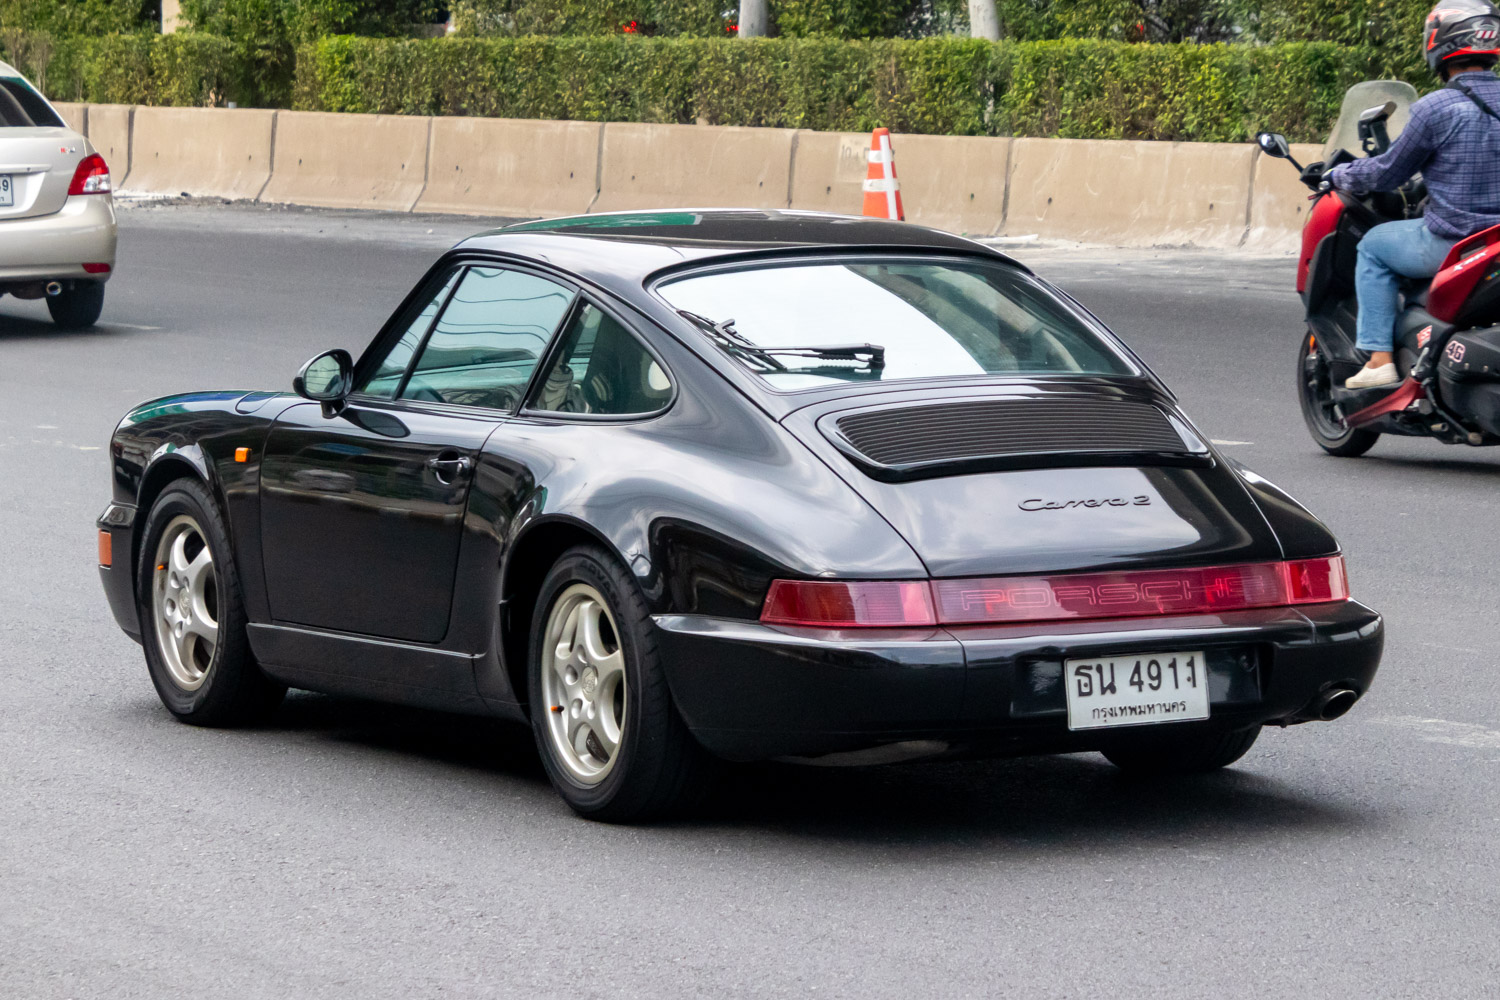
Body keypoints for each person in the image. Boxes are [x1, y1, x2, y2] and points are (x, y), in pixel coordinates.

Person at [1327, 0, 1500, 389]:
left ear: (1440, 43)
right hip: (1496, 244)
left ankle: (1379, 359)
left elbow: (1388, 173)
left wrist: (1340, 174)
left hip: (1454, 242)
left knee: (1373, 246)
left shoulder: (1435, 108)